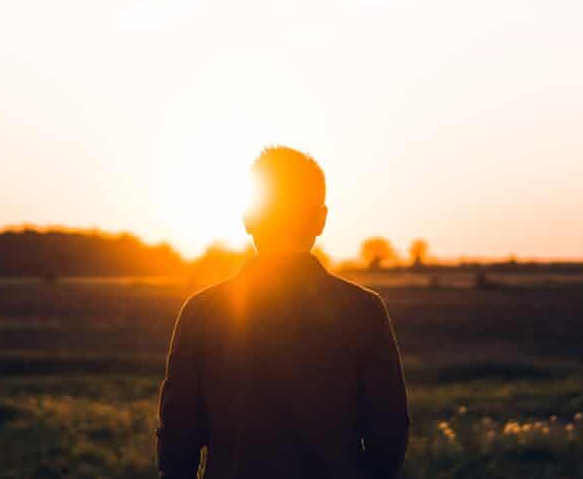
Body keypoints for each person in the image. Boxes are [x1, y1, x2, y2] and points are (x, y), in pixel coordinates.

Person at [157, 146, 410, 479]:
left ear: (248, 218)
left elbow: (177, 448)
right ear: (320, 220)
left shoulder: (201, 314)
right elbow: (388, 441)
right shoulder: (363, 313)